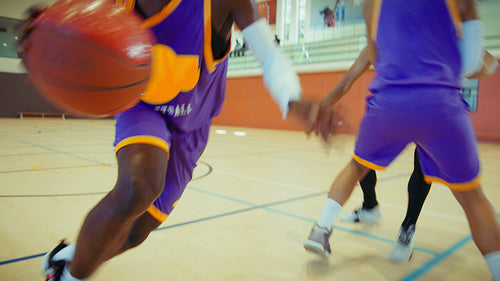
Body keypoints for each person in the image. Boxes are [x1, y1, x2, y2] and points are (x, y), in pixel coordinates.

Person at [19, 1, 327, 280]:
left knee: (135, 234)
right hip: (142, 106)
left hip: (193, 126)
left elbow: (269, 55)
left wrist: (293, 99)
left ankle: (64, 260)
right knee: (140, 187)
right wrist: (48, 28)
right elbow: (73, 27)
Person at [303, 0, 500, 279]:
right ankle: (407, 229)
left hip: (390, 103)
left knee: (356, 166)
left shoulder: (372, 5)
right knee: (471, 195)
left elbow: (375, 58)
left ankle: (321, 229)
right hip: (440, 104)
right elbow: (474, 63)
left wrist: (319, 108)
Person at [315, 46, 432, 263]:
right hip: (390, 109)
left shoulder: (431, 37)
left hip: (429, 107)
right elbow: (345, 82)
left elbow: (478, 61)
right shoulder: (376, 44)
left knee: (427, 166)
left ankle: (408, 228)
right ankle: (370, 206)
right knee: (363, 156)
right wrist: (320, 109)